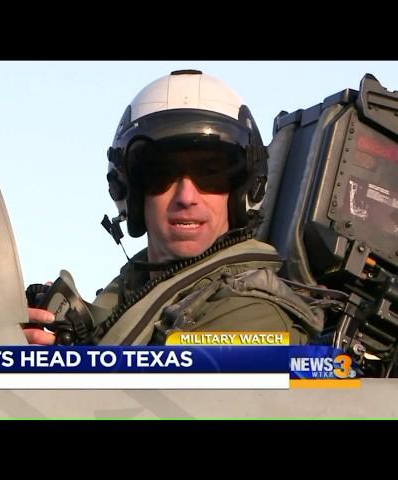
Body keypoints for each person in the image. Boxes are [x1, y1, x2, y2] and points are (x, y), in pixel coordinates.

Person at [24, 69, 322, 346]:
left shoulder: (255, 318)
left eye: (211, 173)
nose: (186, 197)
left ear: (244, 189)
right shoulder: (130, 301)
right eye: (161, 174)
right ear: (130, 191)